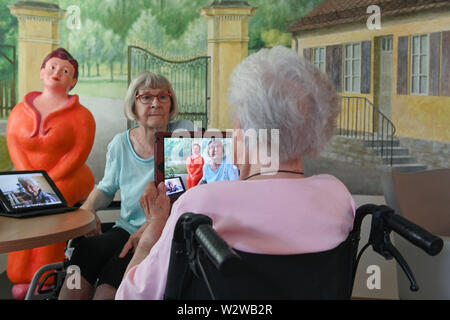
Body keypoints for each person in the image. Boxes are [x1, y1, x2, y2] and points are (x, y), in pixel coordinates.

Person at [115, 46, 356, 300]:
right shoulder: (337, 195)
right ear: (316, 128)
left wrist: (154, 228)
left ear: (240, 130)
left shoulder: (199, 203)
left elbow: (129, 297)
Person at [57, 71, 193, 300]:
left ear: (171, 103)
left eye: (163, 97)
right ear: (133, 103)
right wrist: (88, 209)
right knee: (84, 252)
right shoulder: (120, 143)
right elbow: (107, 188)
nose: (156, 103)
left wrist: (147, 228)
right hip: (126, 229)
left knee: (113, 274)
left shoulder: (181, 138)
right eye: (146, 97)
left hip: (162, 232)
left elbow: (179, 195)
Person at [6, 48, 95, 299]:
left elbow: (78, 154)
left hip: (68, 178)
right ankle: (19, 272)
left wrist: (48, 182)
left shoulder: (82, 116)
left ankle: (45, 274)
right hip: (28, 178)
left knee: (52, 201)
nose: (57, 73)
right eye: (53, 67)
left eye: (66, 71)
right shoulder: (20, 110)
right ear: (42, 71)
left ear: (73, 80)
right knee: (19, 203)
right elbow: (14, 143)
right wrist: (30, 180)